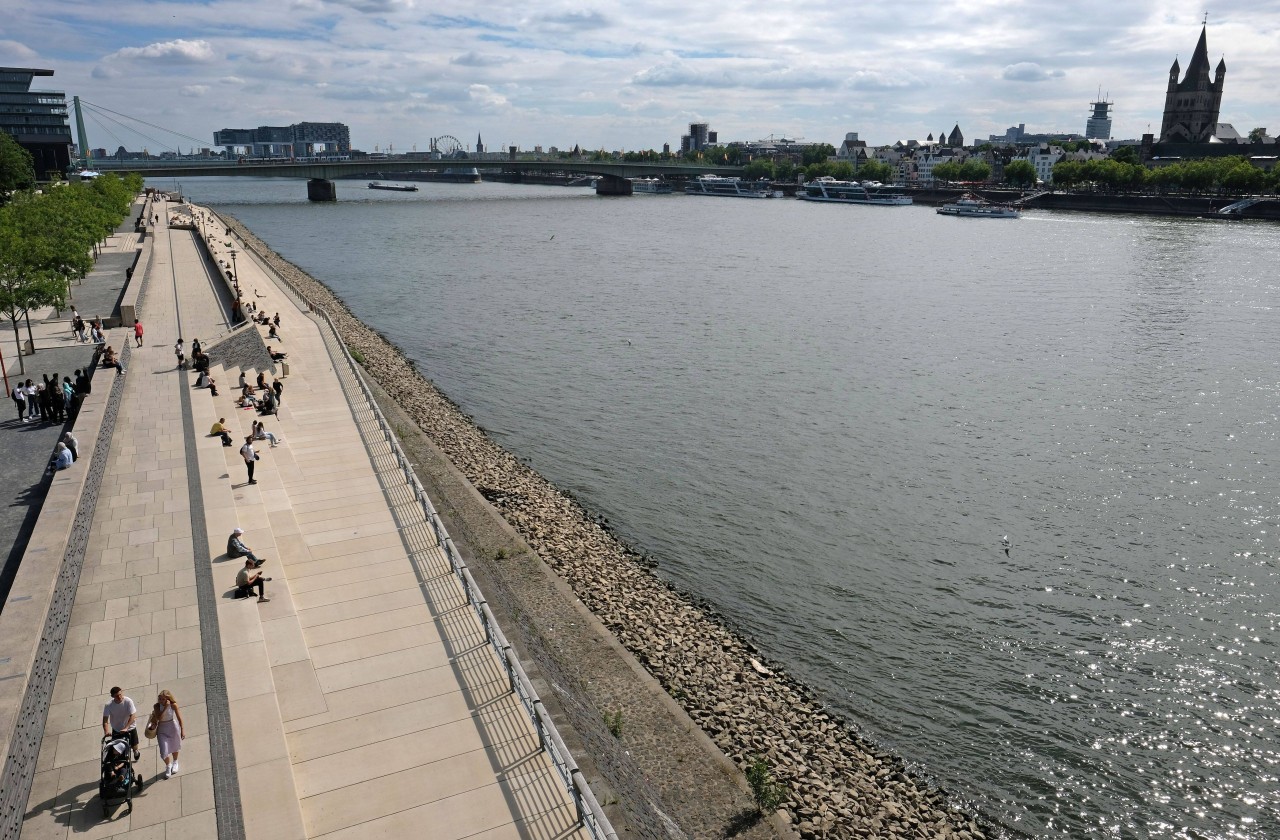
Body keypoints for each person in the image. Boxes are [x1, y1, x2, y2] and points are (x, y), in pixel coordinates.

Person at [147, 690, 185, 778]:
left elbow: (180, 718)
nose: (161, 701)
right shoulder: (156, 706)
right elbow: (159, 718)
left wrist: (182, 730)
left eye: (163, 699)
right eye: (159, 699)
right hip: (162, 729)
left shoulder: (173, 705)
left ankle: (175, 762)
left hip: (172, 726)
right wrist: (165, 707)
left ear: (167, 699)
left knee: (175, 746)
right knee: (163, 750)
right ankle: (168, 765)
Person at [102, 687, 141, 760]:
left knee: (134, 745)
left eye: (120, 694)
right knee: (117, 748)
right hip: (117, 729)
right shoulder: (108, 705)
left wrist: (126, 727)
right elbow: (105, 720)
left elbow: (133, 715)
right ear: (112, 696)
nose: (119, 697)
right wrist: (106, 731)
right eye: (117, 696)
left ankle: (136, 751)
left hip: (130, 728)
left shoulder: (128, 701)